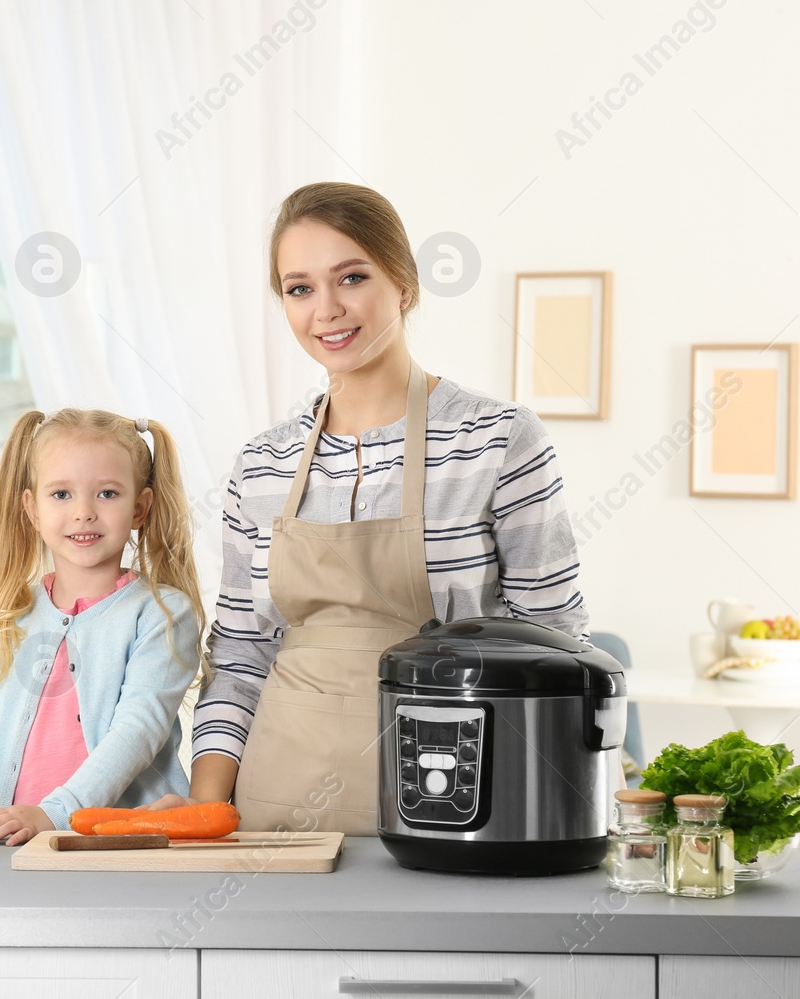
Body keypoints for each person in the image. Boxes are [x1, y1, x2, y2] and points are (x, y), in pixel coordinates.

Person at [153, 182, 590, 835]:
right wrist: (204, 803)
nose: (325, 309)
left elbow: (556, 645)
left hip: (456, 806)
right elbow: (241, 658)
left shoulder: (495, 439)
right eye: (299, 289)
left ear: (404, 284)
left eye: (350, 277)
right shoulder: (263, 464)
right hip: (275, 812)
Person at [0, 408, 204, 847]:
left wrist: (53, 813)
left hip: (123, 848)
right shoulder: (7, 612)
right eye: (60, 495)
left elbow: (136, 733)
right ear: (31, 509)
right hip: (11, 848)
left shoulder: (162, 614)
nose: (83, 513)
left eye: (107, 493)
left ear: (140, 508)